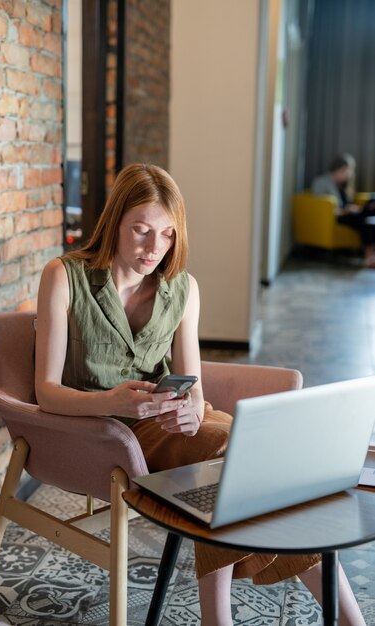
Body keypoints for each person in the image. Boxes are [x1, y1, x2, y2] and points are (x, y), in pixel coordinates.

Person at [35, 163, 365, 626]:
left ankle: (343, 619)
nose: (154, 248)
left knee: (263, 455)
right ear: (114, 222)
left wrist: (190, 411)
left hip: (174, 426)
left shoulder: (183, 289)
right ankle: (238, 618)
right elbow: (46, 393)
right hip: (109, 430)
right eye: (141, 231)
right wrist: (113, 401)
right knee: (228, 457)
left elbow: (194, 389)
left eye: (167, 234)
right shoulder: (63, 276)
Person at [311, 154, 375, 267]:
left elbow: (347, 203)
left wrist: (353, 208)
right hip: (338, 216)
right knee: (367, 222)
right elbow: (321, 208)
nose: (349, 174)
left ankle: (370, 256)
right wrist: (344, 210)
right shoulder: (321, 182)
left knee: (370, 212)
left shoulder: (343, 185)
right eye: (346, 170)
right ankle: (370, 257)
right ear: (337, 169)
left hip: (349, 214)